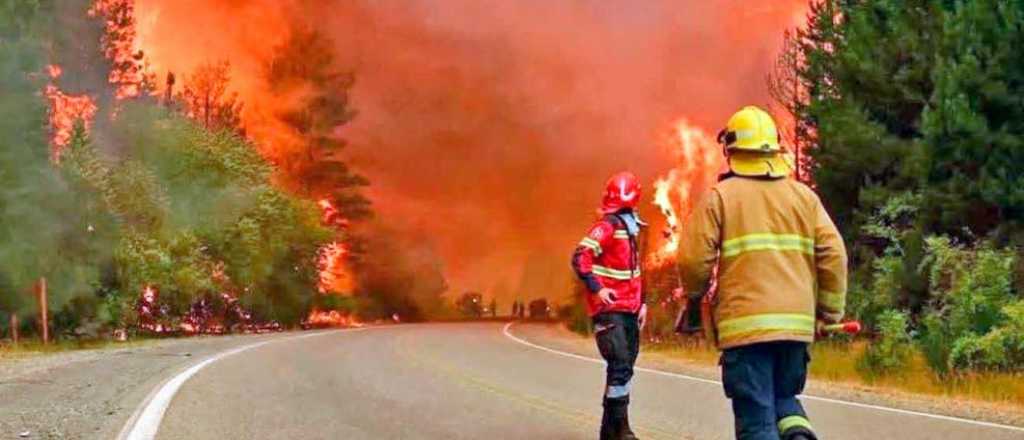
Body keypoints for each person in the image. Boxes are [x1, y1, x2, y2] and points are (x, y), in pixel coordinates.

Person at [678, 106, 847, 440]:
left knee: (756, 419)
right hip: (795, 331)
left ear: (731, 150)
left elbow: (693, 261)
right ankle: (798, 435)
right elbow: (834, 254)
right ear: (775, 148)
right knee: (784, 398)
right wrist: (829, 312)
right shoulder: (804, 197)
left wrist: (694, 299)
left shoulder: (720, 198)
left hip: (746, 331)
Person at [571, 171, 648, 440]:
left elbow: (636, 272)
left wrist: (643, 303)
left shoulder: (631, 229)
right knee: (620, 365)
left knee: (622, 369)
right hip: (610, 310)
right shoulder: (607, 226)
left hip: (630, 310)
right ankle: (622, 430)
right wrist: (598, 289)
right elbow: (580, 256)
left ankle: (609, 431)